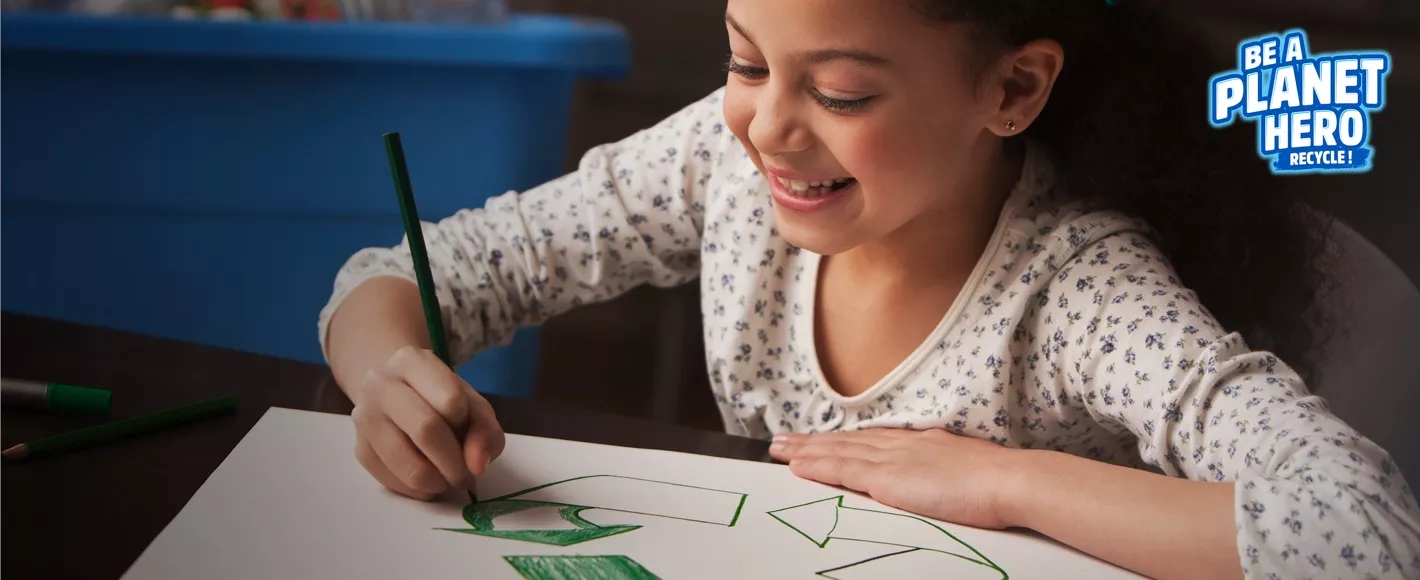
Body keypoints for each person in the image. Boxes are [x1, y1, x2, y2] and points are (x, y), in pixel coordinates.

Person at [317, 0, 1420, 577]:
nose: (766, 124)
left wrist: (1007, 483)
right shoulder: (724, 159)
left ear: (1012, 89)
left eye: (839, 92)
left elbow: (1360, 539)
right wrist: (388, 377)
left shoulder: (1079, 290)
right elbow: (408, 280)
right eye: (746, 60)